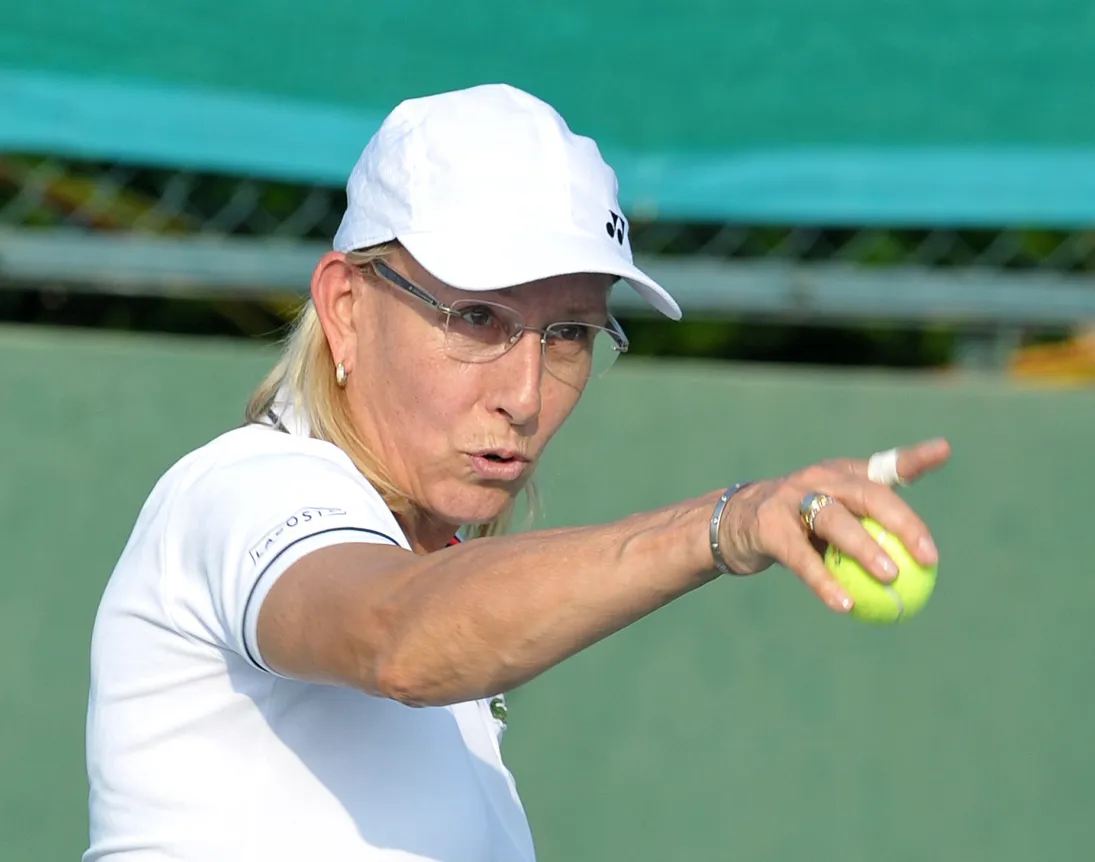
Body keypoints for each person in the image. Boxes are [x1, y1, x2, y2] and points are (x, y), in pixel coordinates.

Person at [83, 83, 951, 862]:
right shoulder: (247, 487)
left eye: (569, 332)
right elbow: (399, 637)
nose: (525, 394)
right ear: (346, 309)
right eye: (476, 317)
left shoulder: (436, 575)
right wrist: (717, 527)